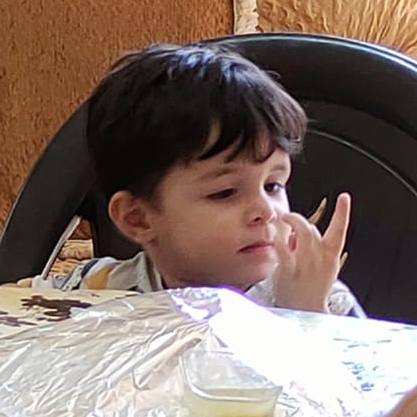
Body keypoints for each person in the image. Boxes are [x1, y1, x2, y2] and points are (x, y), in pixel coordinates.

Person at [43, 42, 363, 317]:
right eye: (225, 192)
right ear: (136, 217)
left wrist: (306, 316)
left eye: (273, 185)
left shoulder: (322, 301)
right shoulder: (98, 290)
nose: (266, 211)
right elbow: (2, 314)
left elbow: (365, 389)